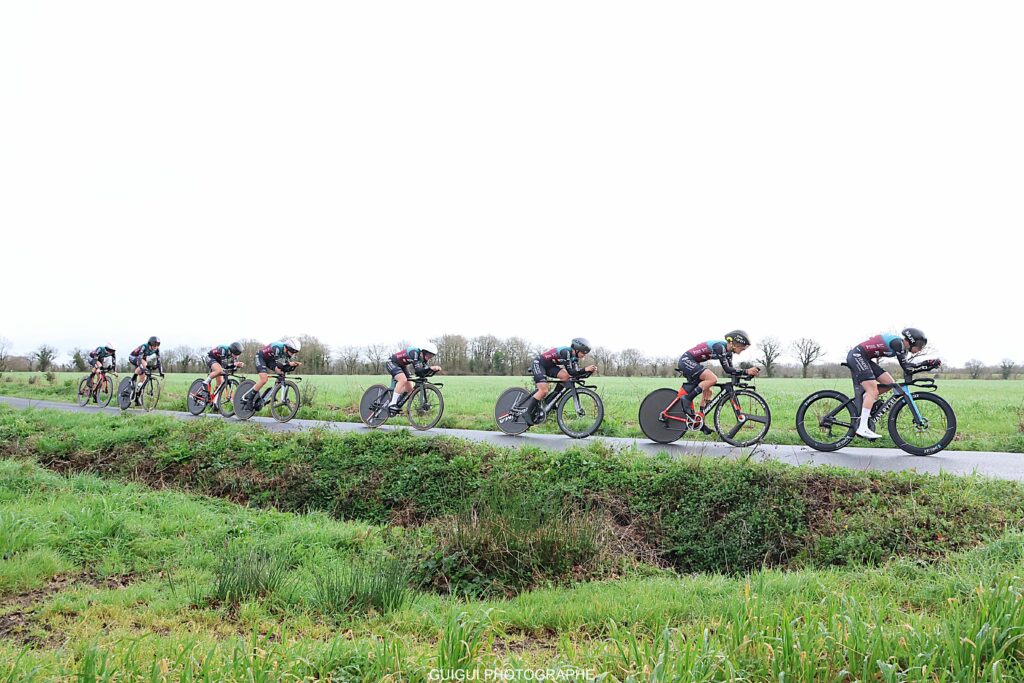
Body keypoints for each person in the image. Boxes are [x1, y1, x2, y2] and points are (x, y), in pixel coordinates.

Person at [847, 328, 941, 440]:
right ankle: (862, 428)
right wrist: (928, 364)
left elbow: (909, 368)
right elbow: (907, 368)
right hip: (857, 356)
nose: (920, 349)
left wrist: (929, 365)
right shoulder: (897, 344)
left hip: (864, 358)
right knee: (872, 390)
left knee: (890, 384)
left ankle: (866, 399)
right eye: (919, 346)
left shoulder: (903, 349)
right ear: (911, 341)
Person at [676, 330, 760, 416]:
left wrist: (747, 375)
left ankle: (700, 418)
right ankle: (687, 399)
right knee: (712, 379)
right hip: (686, 360)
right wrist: (746, 371)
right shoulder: (720, 347)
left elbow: (731, 371)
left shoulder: (728, 353)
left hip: (693, 362)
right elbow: (727, 369)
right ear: (734, 344)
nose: (740, 352)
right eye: (741, 349)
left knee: (708, 392)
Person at [517, 338, 597, 423]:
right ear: (576, 349)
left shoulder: (574, 358)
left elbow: (575, 374)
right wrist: (585, 369)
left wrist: (588, 372)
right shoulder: (566, 352)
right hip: (539, 363)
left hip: (550, 366)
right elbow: (571, 371)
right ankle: (527, 413)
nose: (584, 355)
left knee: (566, 377)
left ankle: (551, 398)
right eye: (583, 353)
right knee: (543, 390)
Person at [241, 338, 301, 408]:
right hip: (261, 357)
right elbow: (279, 364)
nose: (293, 354)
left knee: (281, 372)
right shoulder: (277, 348)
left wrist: (292, 366)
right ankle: (250, 398)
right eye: (292, 352)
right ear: (287, 348)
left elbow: (283, 367)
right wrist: (290, 364)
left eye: (295, 352)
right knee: (264, 380)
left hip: (270, 360)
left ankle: (272, 392)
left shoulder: (287, 353)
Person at [385, 343, 441, 415]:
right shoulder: (414, 353)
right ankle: (392, 404)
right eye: (429, 355)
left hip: (402, 366)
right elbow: (418, 371)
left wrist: (432, 370)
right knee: (403, 379)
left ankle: (397, 404)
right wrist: (430, 368)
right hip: (392, 362)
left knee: (409, 389)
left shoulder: (422, 359)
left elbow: (422, 373)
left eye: (432, 356)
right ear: (424, 351)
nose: (430, 357)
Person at [204, 341, 244, 411]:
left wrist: (237, 366)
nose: (237, 356)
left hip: (218, 361)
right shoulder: (223, 349)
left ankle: (214, 402)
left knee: (220, 383)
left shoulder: (233, 355)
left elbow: (229, 367)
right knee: (219, 370)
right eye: (236, 354)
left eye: (238, 355)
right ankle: (205, 382)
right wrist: (234, 364)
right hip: (210, 357)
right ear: (232, 351)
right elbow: (224, 365)